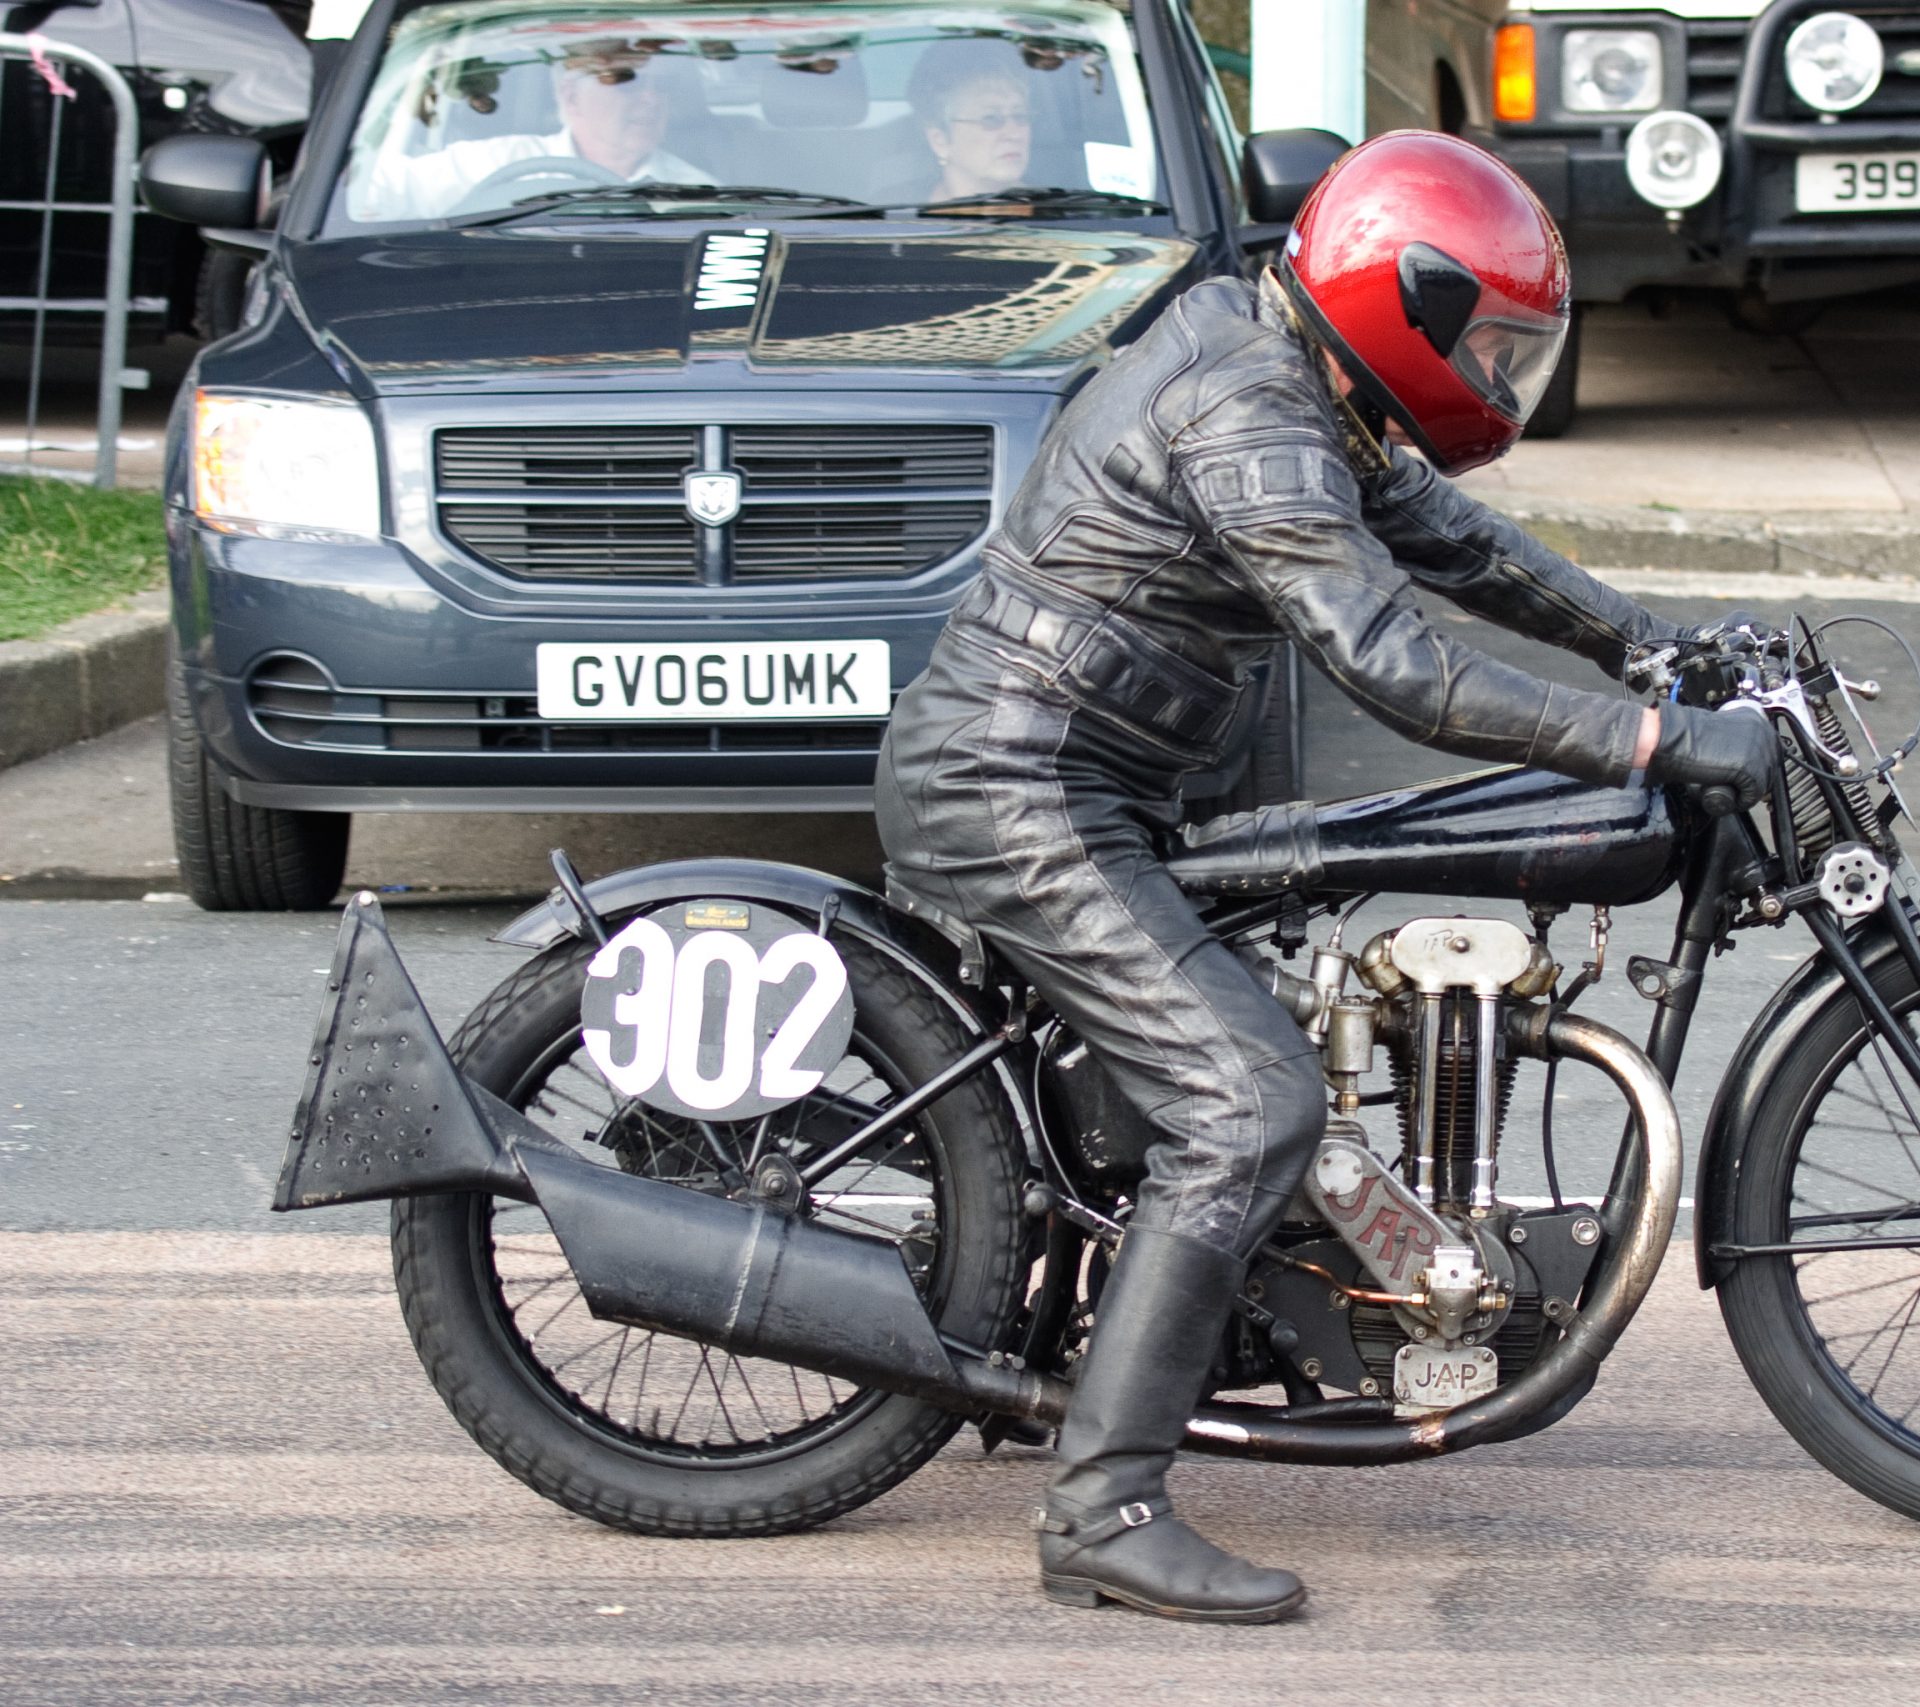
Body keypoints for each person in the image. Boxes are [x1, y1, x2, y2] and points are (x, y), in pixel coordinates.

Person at [874, 132, 1775, 1625]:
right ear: (1398, 300)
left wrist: (1651, 640)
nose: (1496, 374)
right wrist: (1653, 735)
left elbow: (1461, 544)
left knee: (1265, 1028)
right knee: (1252, 1101)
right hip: (1016, 786)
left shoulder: (1307, 382)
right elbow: (1391, 656)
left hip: (1091, 780)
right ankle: (1104, 1504)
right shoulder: (1247, 402)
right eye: (1485, 343)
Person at [348, 42, 712, 222]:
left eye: (661, 86)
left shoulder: (699, 193)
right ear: (570, 96)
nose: (651, 99)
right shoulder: (492, 163)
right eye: (625, 80)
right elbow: (367, 196)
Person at [905, 38, 1033, 201]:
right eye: (990, 118)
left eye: (1020, 115)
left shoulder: (1057, 214)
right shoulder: (890, 216)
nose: (1014, 133)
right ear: (940, 141)